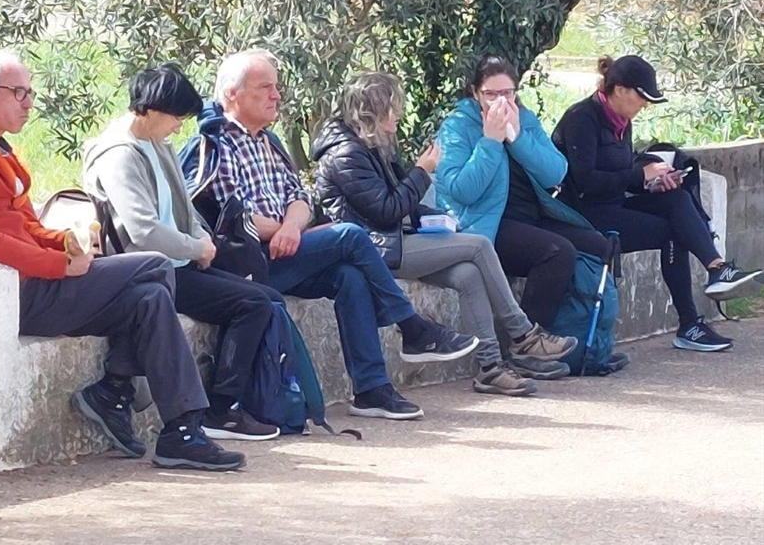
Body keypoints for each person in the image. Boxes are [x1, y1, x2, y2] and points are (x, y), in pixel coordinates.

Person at [0, 50, 245, 471]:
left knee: (149, 298)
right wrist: (60, 265)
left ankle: (178, 430)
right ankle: (116, 387)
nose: (28, 103)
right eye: (18, 92)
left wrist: (65, 243)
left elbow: (25, 226)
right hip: (15, 295)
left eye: (30, 92)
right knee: (155, 265)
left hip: (38, 282)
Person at [181, 49, 478, 421]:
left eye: (277, 87)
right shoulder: (214, 146)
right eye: (265, 87)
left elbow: (300, 198)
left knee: (350, 276)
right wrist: (285, 228)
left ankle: (372, 390)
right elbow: (230, 217)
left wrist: (292, 227)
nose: (276, 95)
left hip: (287, 249)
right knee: (350, 236)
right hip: (247, 263)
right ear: (232, 94)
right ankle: (413, 328)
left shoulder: (268, 142)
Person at [312, 72, 580, 396]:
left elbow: (402, 205)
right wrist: (422, 171)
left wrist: (440, 220)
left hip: (396, 240)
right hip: (377, 249)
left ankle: (490, 368)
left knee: (468, 274)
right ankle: (524, 335)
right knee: (479, 245)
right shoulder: (347, 154)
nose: (399, 114)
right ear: (373, 111)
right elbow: (385, 210)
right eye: (393, 107)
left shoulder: (372, 145)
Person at [83, 62, 285, 441]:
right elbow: (142, 230)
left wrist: (201, 241)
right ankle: (221, 409)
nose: (180, 126)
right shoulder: (119, 154)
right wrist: (195, 248)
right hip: (149, 270)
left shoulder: (158, 145)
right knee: (253, 303)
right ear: (151, 110)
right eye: (177, 117)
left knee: (265, 297)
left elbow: (185, 208)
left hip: (178, 262)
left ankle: (239, 404)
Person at [552, 55, 762, 352]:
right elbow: (585, 182)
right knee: (672, 232)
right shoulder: (582, 119)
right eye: (642, 97)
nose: (645, 105)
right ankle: (690, 323)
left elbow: (621, 175)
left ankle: (717, 270)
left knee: (676, 198)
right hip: (585, 216)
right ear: (620, 90)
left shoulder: (622, 121)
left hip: (613, 205)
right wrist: (640, 175)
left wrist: (652, 182)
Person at [434, 56, 614, 349]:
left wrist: (517, 138)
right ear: (475, 93)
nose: (500, 101)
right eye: (491, 94)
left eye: (507, 93)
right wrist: (490, 141)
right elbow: (462, 191)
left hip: (530, 216)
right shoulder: (457, 128)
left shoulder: (524, 119)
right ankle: (525, 346)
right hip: (484, 224)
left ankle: (586, 345)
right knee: (556, 252)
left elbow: (556, 171)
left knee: (598, 245)